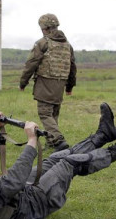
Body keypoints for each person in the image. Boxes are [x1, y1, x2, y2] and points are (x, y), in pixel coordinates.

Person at [19, 13, 77, 151]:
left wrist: (23, 82)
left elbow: (31, 63)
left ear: (44, 28)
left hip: (45, 84)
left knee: (45, 114)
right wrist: (69, 86)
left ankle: (58, 140)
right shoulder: (68, 45)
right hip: (60, 85)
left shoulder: (42, 43)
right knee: (53, 114)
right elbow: (72, 67)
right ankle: (51, 145)